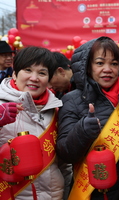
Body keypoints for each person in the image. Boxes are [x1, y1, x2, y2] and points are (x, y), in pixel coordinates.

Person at [56, 36, 119, 200]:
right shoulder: (72, 100)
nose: (108, 69)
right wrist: (82, 131)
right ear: (87, 67)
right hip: (95, 192)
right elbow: (65, 153)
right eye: (100, 63)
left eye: (114, 64)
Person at [0, 46, 64, 199]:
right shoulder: (1, 107)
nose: (34, 78)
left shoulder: (56, 109)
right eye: (28, 70)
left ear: (49, 80)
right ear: (14, 74)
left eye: (42, 73)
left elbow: (63, 165)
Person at [48, 51, 74, 199]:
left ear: (61, 71)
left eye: (51, 80)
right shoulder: (62, 92)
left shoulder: (80, 88)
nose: (50, 86)